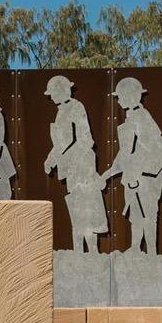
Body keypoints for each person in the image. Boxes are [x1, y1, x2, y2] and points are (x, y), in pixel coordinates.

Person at [100, 76, 162, 254]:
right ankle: (136, 247)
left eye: (121, 96)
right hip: (135, 176)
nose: (119, 100)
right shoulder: (133, 118)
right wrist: (108, 174)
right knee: (136, 214)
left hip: (146, 176)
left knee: (147, 214)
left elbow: (150, 147)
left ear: (131, 96)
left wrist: (110, 174)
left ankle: (152, 252)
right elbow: (124, 154)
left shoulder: (141, 117)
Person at [42, 75, 107, 253]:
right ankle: (79, 250)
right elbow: (62, 142)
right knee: (78, 210)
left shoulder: (75, 107)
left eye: (53, 93)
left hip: (82, 166)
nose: (51, 97)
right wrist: (53, 158)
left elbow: (70, 140)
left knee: (86, 210)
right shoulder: (63, 110)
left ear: (62, 91)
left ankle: (91, 251)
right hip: (73, 167)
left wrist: (52, 158)